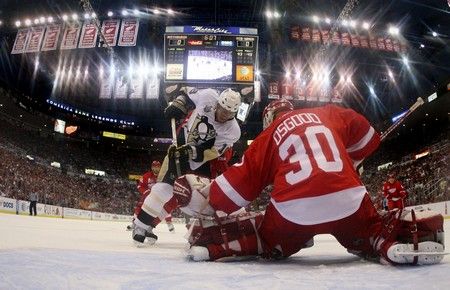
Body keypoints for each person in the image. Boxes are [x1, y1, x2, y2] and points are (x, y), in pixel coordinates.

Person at [172, 99, 445, 265]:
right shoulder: (327, 112)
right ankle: (395, 238)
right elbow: (366, 134)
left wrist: (210, 198)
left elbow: (237, 187)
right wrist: (351, 159)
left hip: (294, 214)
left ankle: (216, 244)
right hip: (348, 201)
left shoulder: (268, 136)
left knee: (266, 235)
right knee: (369, 228)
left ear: (269, 119)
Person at [132, 87, 242, 244]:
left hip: (200, 159)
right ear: (217, 103)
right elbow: (185, 91)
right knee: (164, 189)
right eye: (223, 109)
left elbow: (213, 152)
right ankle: (140, 225)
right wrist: (179, 103)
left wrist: (190, 152)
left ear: (235, 113)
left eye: (230, 113)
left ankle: (151, 226)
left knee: (186, 198)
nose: (225, 114)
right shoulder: (207, 95)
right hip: (182, 141)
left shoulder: (233, 131)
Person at [126, 161, 175, 233]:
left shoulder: (164, 176)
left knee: (165, 207)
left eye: (157, 166)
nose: (156, 168)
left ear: (160, 167)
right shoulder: (146, 176)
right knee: (140, 206)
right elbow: (140, 186)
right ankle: (134, 223)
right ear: (152, 167)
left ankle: (169, 223)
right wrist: (146, 192)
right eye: (154, 166)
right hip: (149, 196)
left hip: (161, 196)